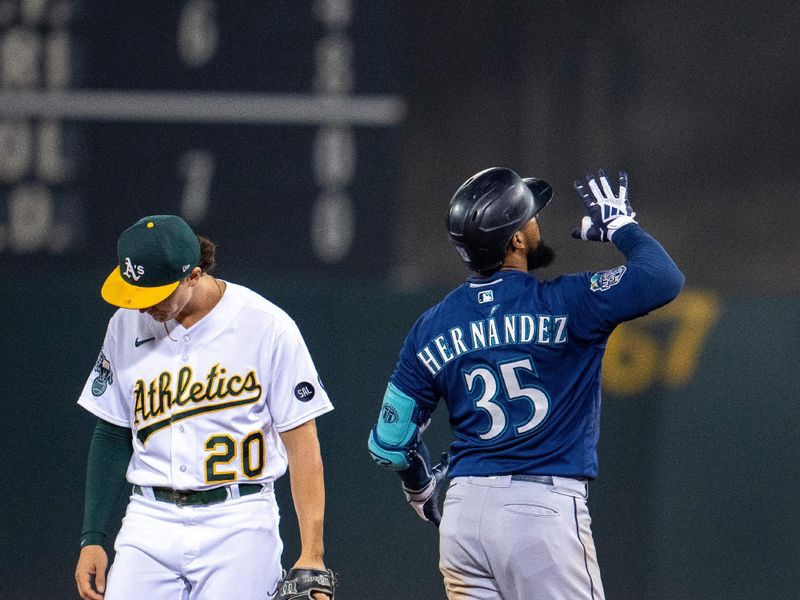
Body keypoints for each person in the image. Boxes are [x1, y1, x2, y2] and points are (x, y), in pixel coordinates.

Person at [368, 167, 684, 599]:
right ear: (515, 240)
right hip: (540, 512)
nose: (536, 221)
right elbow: (662, 278)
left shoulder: (431, 326)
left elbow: (388, 443)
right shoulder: (568, 301)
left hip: (463, 518)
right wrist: (621, 226)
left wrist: (419, 484)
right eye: (529, 216)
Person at [74, 215, 335, 600]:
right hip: (150, 518)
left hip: (239, 521)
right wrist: (92, 536)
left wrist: (312, 553)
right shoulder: (125, 323)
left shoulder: (267, 326)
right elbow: (112, 431)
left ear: (193, 276)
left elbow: (302, 443)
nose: (143, 306)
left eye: (155, 294)